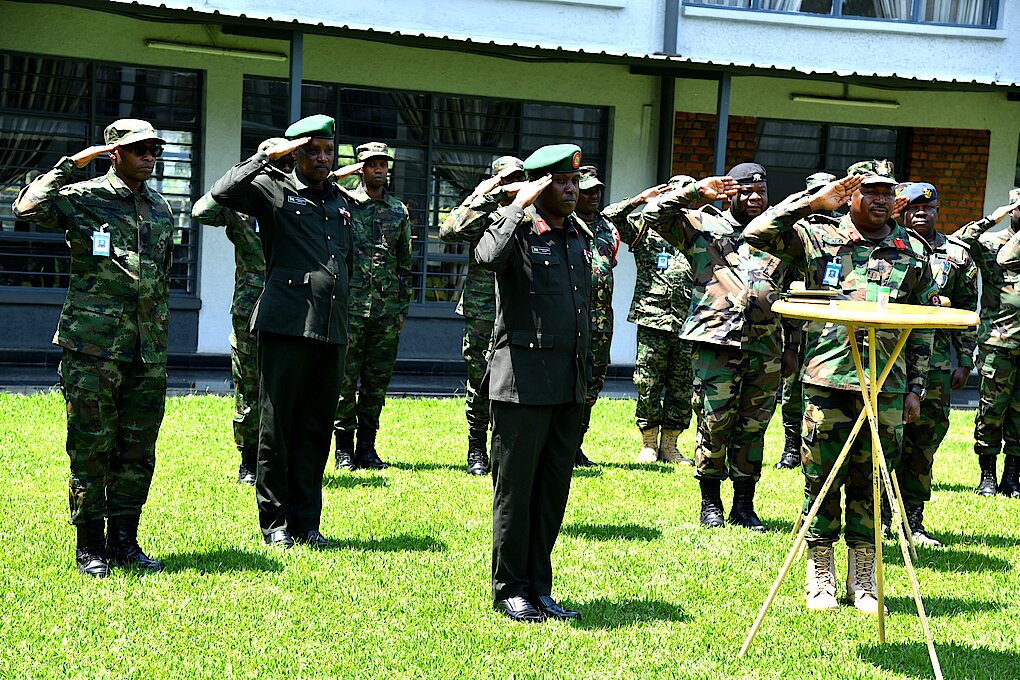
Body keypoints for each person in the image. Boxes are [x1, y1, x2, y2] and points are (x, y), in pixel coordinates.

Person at [745, 160, 940, 614]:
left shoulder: (912, 249)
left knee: (873, 481)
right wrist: (811, 203)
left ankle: (863, 579)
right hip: (828, 379)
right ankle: (820, 574)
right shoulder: (818, 236)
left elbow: (924, 325)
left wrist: (915, 387)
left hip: (886, 386)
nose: (881, 199)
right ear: (851, 195)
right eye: (870, 191)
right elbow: (756, 234)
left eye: (887, 192)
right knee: (821, 477)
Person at [13, 118, 173, 576]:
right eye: (139, 149)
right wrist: (73, 164)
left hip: (147, 349)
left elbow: (160, 275)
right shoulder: (84, 197)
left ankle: (125, 541)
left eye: (154, 149)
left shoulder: (160, 207)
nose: (149, 156)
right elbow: (26, 208)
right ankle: (90, 546)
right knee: (91, 447)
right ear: (114, 153)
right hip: (93, 346)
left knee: (137, 449)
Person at [210, 114, 353, 549]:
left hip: (331, 327)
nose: (323, 158)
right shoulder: (272, 189)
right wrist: (265, 157)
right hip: (287, 324)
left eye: (328, 151)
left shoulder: (341, 200)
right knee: (277, 429)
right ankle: (275, 523)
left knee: (316, 429)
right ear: (295, 153)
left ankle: (307, 523)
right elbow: (222, 192)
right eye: (313, 151)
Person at [476, 144, 591, 623]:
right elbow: (486, 256)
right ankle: (510, 588)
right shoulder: (516, 230)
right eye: (560, 182)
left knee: (550, 495)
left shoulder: (577, 236)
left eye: (574, 181)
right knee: (516, 493)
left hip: (567, 383)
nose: (571, 189)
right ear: (539, 186)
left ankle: (540, 587)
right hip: (522, 385)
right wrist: (516, 205)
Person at [642, 163, 790, 532]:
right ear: (729, 192)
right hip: (715, 342)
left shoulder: (778, 235)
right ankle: (710, 503)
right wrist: (696, 192)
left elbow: (796, 287)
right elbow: (652, 214)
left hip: (766, 346)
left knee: (753, 427)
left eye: (760, 191)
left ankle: (744, 505)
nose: (754, 197)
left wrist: (794, 346)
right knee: (714, 423)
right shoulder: (702, 227)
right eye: (745, 190)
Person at [192, 138, 293, 486]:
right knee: (249, 387)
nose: (283, 168)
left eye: (288, 161)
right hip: (250, 308)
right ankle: (249, 460)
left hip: (292, 309)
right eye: (277, 162)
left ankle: (281, 458)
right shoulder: (241, 203)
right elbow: (201, 211)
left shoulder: (299, 201)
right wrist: (255, 163)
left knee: (288, 389)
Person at [894, 183, 978, 546]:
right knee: (888, 438)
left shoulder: (957, 255)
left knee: (924, 441)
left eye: (928, 208)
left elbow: (967, 309)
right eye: (913, 208)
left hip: (938, 363)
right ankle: (881, 515)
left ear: (937, 212)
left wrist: (965, 359)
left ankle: (913, 521)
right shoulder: (891, 248)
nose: (921, 213)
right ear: (902, 211)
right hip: (893, 359)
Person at [440, 156, 526, 475]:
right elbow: (449, 231)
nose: (512, 184)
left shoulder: (527, 212)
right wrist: (484, 195)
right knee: (480, 379)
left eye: (518, 178)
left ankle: (505, 449)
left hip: (518, 308)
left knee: (514, 381)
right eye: (506, 179)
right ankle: (476, 447)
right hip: (482, 308)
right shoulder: (481, 211)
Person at [333, 142, 412, 471]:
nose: (379, 169)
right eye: (372, 164)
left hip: (385, 312)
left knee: (376, 384)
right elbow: (318, 186)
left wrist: (402, 310)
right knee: (344, 382)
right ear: (360, 168)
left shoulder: (398, 210)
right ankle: (343, 449)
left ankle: (366, 447)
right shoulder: (344, 203)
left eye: (383, 164)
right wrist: (342, 175)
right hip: (349, 310)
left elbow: (404, 264)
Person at [609, 176, 696, 465]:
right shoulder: (645, 227)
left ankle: (670, 445)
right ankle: (648, 444)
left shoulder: (699, 229)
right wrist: (638, 200)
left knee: (682, 386)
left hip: (689, 321)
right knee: (647, 382)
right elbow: (609, 218)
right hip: (652, 318)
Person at [952, 189, 1020, 497]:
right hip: (998, 343)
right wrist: (992, 218)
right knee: (991, 411)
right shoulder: (993, 244)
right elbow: (958, 241)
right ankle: (988, 476)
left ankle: (1012, 478)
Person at [776, 171, 836, 471]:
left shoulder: (842, 233)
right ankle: (791, 446)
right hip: (797, 327)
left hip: (830, 327)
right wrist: (789, 341)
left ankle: (818, 445)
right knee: (791, 389)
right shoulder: (796, 233)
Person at [572, 165, 619, 468]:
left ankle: (576, 445)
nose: (594, 196)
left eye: (597, 190)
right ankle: (560, 444)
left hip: (601, 323)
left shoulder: (608, 228)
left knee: (592, 385)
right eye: (588, 191)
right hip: (571, 320)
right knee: (568, 382)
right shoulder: (564, 223)